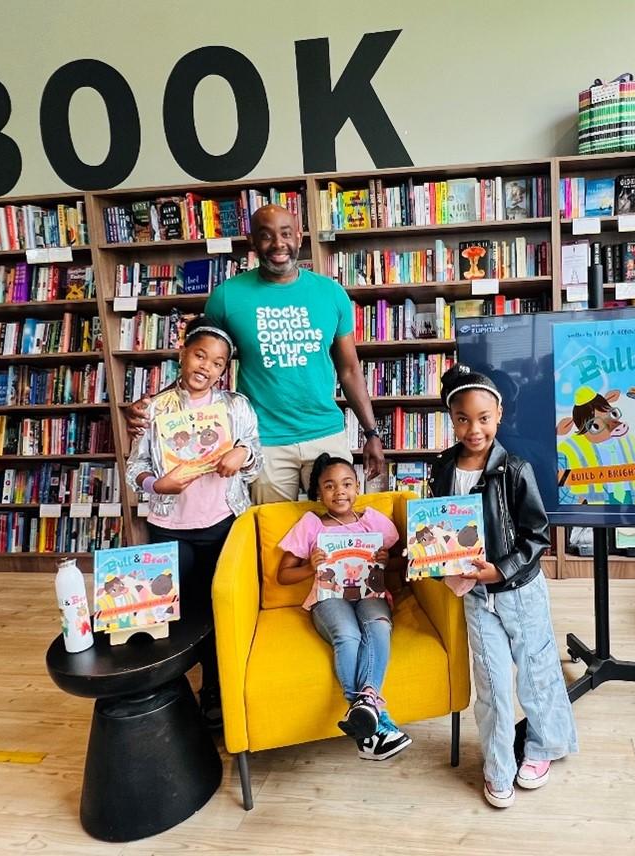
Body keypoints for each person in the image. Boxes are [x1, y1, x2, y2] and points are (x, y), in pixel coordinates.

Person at [125, 204, 384, 503]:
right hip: (262, 441)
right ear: (252, 242)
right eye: (266, 235)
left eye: (286, 234)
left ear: (299, 237)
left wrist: (371, 433)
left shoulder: (331, 293)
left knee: (333, 531)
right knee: (271, 538)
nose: (278, 244)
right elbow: (202, 362)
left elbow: (350, 370)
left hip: (325, 433)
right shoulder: (226, 297)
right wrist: (155, 408)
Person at [428, 364, 578, 808]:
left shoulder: (514, 468)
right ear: (450, 418)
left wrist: (501, 570)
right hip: (472, 594)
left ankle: (544, 747)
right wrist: (433, 560)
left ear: (499, 415)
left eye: (483, 418)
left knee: (535, 672)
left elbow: (537, 534)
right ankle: (497, 766)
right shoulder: (442, 468)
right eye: (462, 418)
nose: (473, 429)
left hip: (518, 589)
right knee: (491, 682)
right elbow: (438, 527)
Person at [125, 316, 263, 726]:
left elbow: (254, 460)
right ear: (182, 354)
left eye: (218, 362)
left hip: (223, 523)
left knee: (219, 609)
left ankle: (216, 691)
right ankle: (170, 691)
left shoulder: (235, 406)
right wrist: (156, 484)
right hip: (170, 527)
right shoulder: (153, 409)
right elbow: (136, 469)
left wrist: (243, 455)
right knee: (178, 613)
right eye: (199, 355)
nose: (206, 367)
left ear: (225, 370)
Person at [276, 453, 412, 761]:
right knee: (348, 636)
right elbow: (283, 575)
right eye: (330, 486)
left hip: (369, 594)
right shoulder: (311, 524)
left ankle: (365, 720)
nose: (340, 491)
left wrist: (387, 561)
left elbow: (406, 559)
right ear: (319, 493)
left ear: (358, 487)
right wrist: (311, 567)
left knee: (377, 625)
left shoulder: (373, 520)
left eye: (347, 484)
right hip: (328, 598)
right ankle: (375, 717)